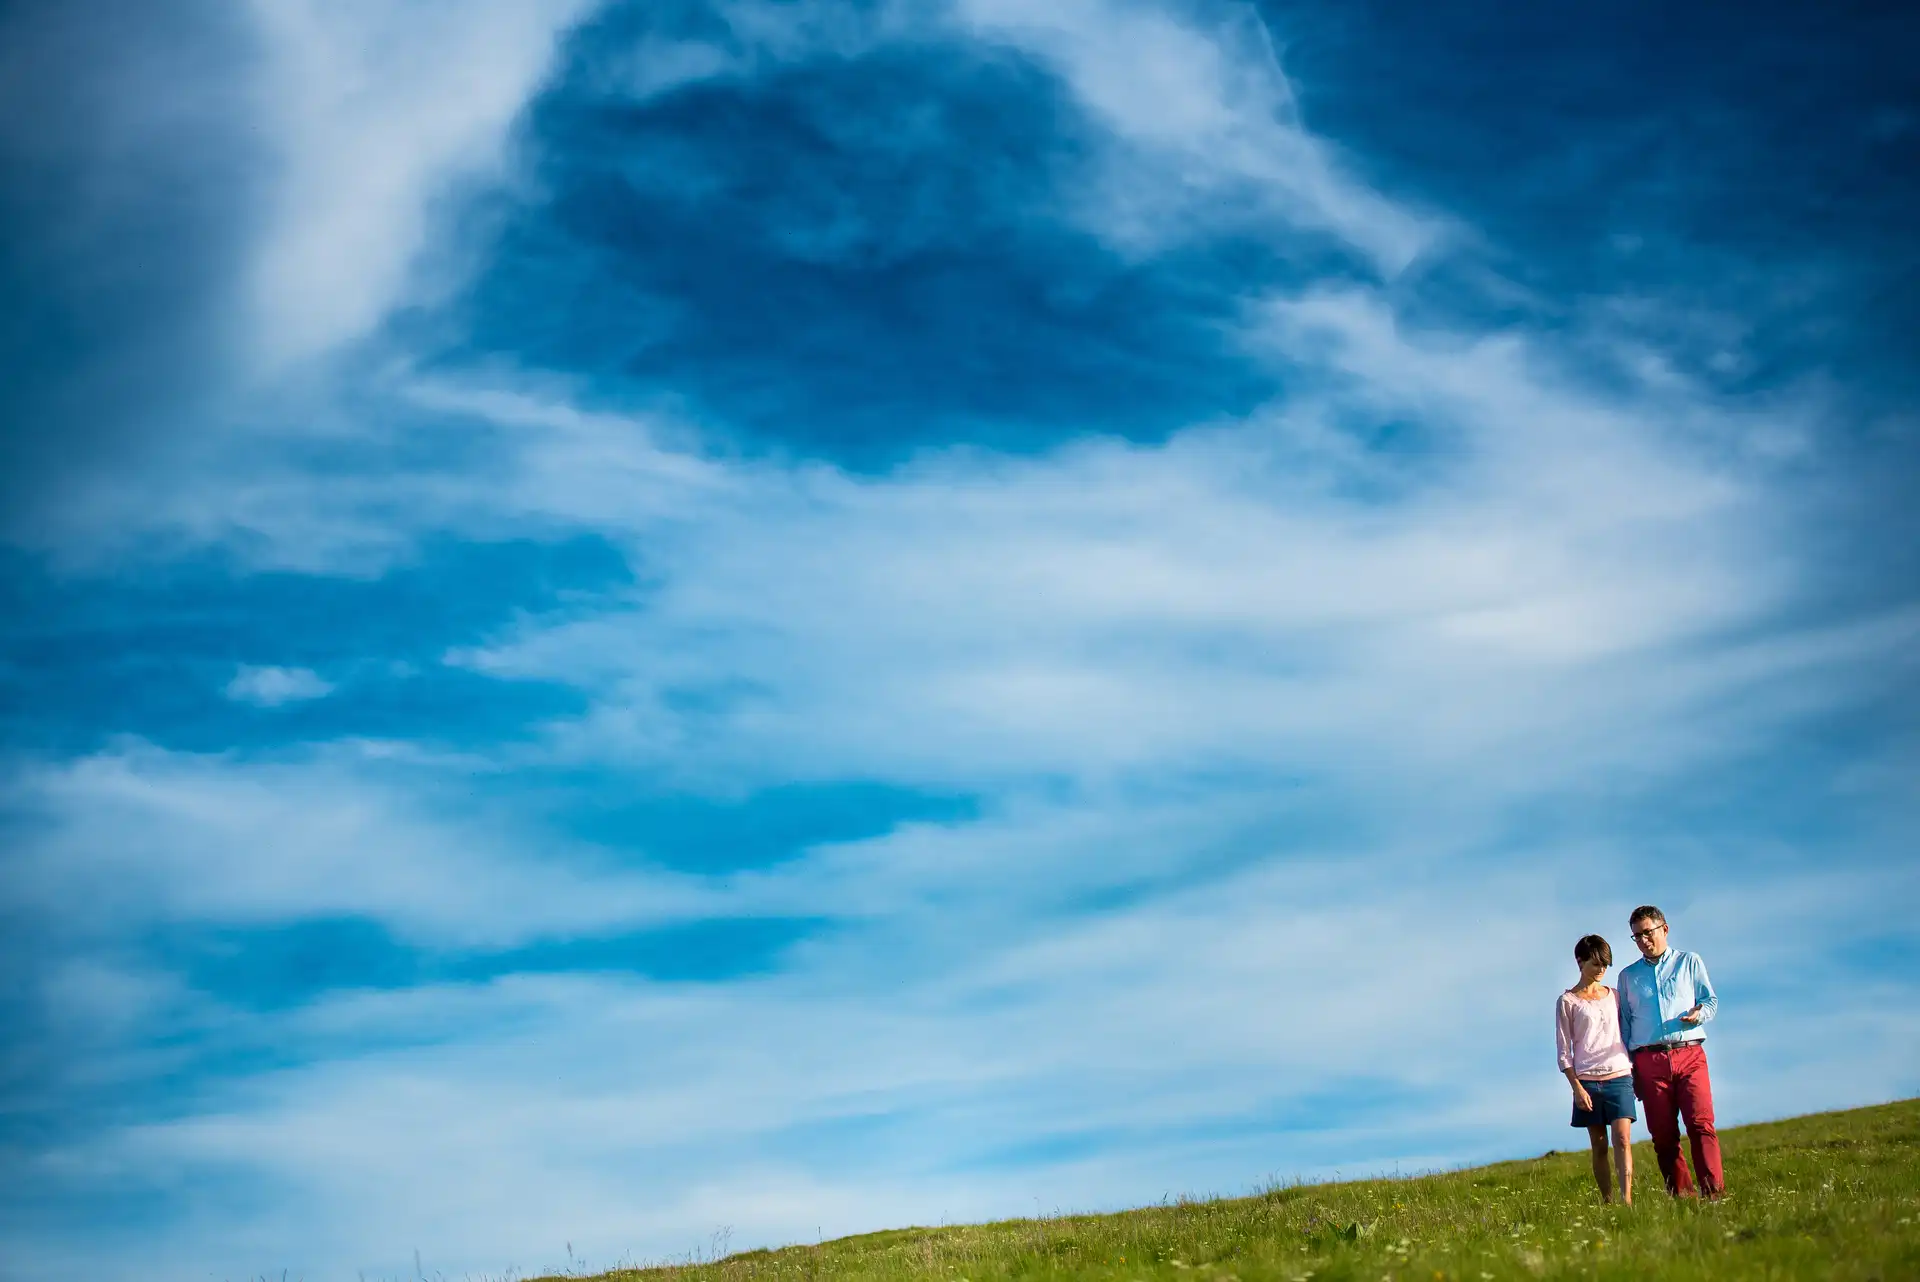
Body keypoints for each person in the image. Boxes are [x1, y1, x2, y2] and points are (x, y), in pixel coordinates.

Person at [1617, 905, 1723, 1198]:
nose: (1642, 940)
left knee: (1700, 1124)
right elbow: (1624, 1024)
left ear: (1664, 929)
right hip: (1648, 1060)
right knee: (1663, 1136)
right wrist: (1630, 1069)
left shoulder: (1689, 962)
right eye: (1636, 936)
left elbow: (1710, 1000)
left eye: (1647, 933)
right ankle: (1682, 1196)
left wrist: (1699, 1013)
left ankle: (1713, 1194)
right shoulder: (1628, 977)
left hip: (1689, 1053)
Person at [1556, 934, 1635, 1203]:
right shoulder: (1567, 1002)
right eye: (1596, 963)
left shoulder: (1614, 996)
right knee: (1600, 1145)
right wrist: (1576, 1088)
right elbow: (1564, 1050)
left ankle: (1627, 1202)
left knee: (1622, 1139)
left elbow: (1627, 1031)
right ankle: (1608, 1200)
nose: (1602, 970)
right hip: (1587, 1082)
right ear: (1580, 962)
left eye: (1605, 964)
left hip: (1619, 1075)